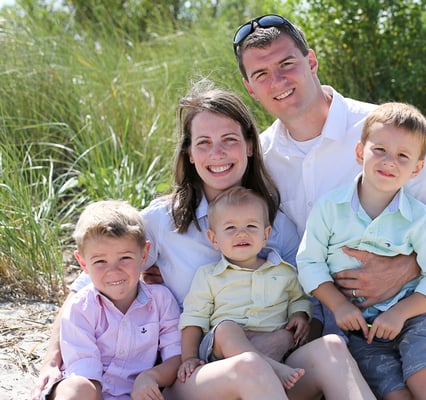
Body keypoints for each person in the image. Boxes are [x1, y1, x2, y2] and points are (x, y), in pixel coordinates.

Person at [31, 80, 376, 400]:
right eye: (204, 144)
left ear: (251, 146)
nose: (218, 154)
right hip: (196, 371)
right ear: (190, 154)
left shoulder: (275, 223)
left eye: (229, 140)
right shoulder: (162, 221)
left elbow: (310, 301)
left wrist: (289, 336)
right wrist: (52, 360)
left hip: (279, 361)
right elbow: (86, 287)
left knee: (331, 347)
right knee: (248, 366)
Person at [233, 13, 426, 366]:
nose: (278, 80)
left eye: (287, 64)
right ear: (250, 88)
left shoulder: (384, 130)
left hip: (415, 320)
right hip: (331, 325)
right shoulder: (263, 158)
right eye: (261, 74)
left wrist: (408, 267)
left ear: (311, 62)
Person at [297, 103, 426, 399]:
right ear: (360, 152)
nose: (389, 161)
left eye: (403, 156)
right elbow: (309, 262)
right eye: (379, 149)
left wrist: (399, 313)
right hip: (358, 327)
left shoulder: (418, 219)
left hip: (412, 316)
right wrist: (339, 305)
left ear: (416, 168)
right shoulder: (330, 209)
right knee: (395, 395)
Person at [40, 200, 182, 400]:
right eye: (100, 261)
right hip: (90, 392)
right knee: (77, 388)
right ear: (83, 263)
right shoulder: (81, 307)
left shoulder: (161, 300)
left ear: (144, 254)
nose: (113, 271)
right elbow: (85, 370)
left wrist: (151, 376)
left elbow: (175, 356)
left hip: (137, 393)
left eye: (125, 258)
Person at [178, 186, 312, 391]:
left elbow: (299, 299)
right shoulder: (209, 276)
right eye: (230, 228)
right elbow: (194, 318)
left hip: (274, 345)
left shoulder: (284, 271)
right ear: (214, 239)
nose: (241, 234)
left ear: (265, 234)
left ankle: (269, 365)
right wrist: (189, 357)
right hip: (224, 354)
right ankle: (272, 368)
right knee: (226, 328)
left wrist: (300, 314)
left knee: (286, 336)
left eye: (251, 226)